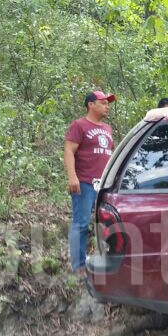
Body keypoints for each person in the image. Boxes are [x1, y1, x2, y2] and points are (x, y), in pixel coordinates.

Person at [64, 90, 116, 277]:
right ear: (91, 104)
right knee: (81, 223)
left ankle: (107, 262)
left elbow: (112, 155)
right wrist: (72, 176)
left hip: (105, 186)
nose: (107, 106)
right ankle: (78, 266)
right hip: (85, 182)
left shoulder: (108, 129)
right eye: (103, 103)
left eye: (107, 103)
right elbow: (69, 150)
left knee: (107, 224)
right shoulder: (80, 125)